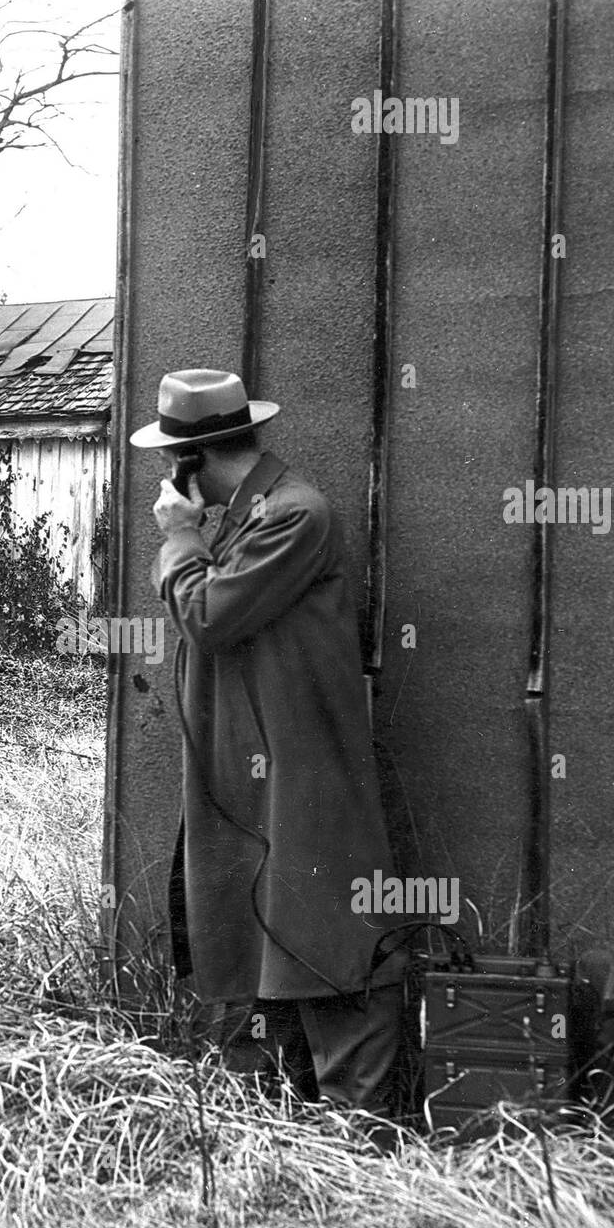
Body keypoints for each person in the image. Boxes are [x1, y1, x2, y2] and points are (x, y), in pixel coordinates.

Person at [131, 368, 406, 1116]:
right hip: (254, 771)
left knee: (328, 934)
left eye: (170, 458)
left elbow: (211, 617)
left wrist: (180, 540)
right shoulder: (250, 517)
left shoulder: (293, 514)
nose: (165, 476)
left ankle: (361, 1139)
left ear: (194, 459)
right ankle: (302, 1130)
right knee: (268, 937)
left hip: (300, 768)